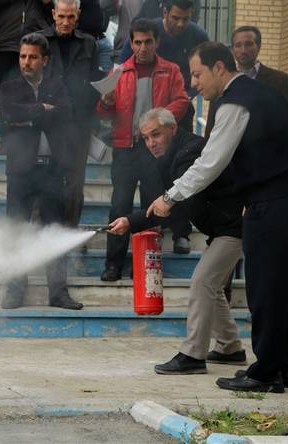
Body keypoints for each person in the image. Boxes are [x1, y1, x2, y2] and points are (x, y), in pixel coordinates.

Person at [148, 42, 288, 393]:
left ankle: (265, 373)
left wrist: (170, 196)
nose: (194, 83)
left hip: (271, 204)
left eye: (197, 74)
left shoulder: (235, 101)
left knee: (266, 290)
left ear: (218, 68)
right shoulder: (262, 93)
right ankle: (285, 367)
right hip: (280, 199)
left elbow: (210, 162)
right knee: (282, 289)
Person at [108, 108, 245, 375]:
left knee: (203, 282)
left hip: (234, 227)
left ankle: (193, 355)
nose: (151, 143)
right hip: (222, 228)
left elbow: (178, 206)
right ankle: (230, 348)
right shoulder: (173, 155)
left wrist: (133, 221)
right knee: (213, 286)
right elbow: (168, 205)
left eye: (156, 134)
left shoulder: (188, 153)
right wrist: (130, 222)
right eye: (146, 138)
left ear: (172, 129)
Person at [97, 18, 188, 282]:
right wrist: (106, 102)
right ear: (131, 42)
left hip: (155, 150)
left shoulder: (171, 70)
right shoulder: (119, 72)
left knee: (152, 208)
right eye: (137, 42)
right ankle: (113, 264)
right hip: (125, 148)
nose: (143, 47)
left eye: (148, 42)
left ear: (157, 41)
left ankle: (146, 266)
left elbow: (182, 101)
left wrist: (160, 122)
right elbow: (103, 113)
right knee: (119, 206)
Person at [0, 32, 83, 311]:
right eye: (23, 56)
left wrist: (29, 116)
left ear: (45, 60)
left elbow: (65, 114)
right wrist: (42, 110)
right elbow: (9, 114)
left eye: (32, 57)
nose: (26, 62)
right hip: (20, 171)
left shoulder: (57, 87)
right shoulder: (10, 88)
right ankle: (14, 291)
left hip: (52, 170)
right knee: (15, 232)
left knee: (54, 232)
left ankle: (58, 293)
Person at [43, 0, 102, 228]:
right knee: (45, 181)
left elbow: (94, 83)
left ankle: (69, 231)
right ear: (53, 14)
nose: (66, 22)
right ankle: (44, 232)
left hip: (78, 123)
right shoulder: (40, 41)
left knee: (75, 185)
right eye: (61, 16)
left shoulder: (89, 44)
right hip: (47, 123)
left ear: (78, 15)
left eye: (70, 17)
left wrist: (94, 121)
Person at [120, 0, 208, 132]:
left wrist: (190, 93)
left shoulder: (198, 36)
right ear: (165, 12)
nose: (180, 24)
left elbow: (207, 68)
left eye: (185, 19)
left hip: (181, 105)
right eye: (175, 18)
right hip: (146, 104)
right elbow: (124, 65)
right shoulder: (148, 31)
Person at [0, 0, 54, 90]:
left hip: (35, 41)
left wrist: (47, 3)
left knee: (34, 86)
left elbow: (56, 12)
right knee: (4, 88)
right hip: (5, 42)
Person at [231, 26, 288, 114]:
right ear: (232, 50)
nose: (243, 50)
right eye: (238, 45)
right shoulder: (225, 83)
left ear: (259, 47)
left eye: (249, 44)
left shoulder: (282, 81)